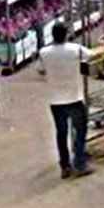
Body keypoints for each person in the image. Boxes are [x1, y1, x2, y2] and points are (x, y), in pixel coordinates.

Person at [36, 23, 93, 179]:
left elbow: (40, 71)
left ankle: (65, 166)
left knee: (61, 134)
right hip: (75, 97)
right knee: (80, 131)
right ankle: (79, 163)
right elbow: (93, 56)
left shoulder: (44, 52)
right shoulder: (76, 49)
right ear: (66, 34)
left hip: (56, 100)